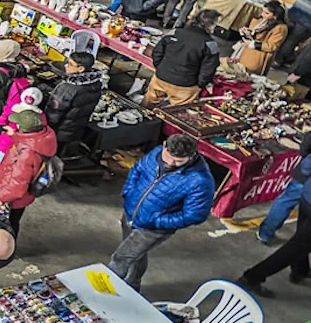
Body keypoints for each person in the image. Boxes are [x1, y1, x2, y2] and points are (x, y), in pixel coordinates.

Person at [110, 135, 214, 291]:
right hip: (132, 214)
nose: (171, 163)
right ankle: (132, 286)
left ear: (192, 156)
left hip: (153, 228)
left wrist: (158, 221)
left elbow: (195, 215)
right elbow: (137, 169)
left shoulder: (199, 180)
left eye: (179, 161)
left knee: (121, 258)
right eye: (169, 157)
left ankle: (104, 293)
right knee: (135, 254)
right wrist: (128, 192)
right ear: (164, 146)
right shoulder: (156, 153)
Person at [238, 154, 311, 297]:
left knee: (302, 237)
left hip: (308, 195)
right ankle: (252, 277)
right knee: (299, 245)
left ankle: (300, 270)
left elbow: (307, 162)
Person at [0, 110, 57, 236]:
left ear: (22, 128)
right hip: (24, 198)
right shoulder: (43, 138)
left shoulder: (25, 155)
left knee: (5, 226)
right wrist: (14, 135)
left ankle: (3, 251)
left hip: (11, 198)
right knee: (13, 221)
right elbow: (31, 142)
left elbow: (17, 185)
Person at [145, 10, 221, 107]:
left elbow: (157, 53)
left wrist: (161, 68)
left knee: (146, 105)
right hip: (185, 86)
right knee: (175, 114)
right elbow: (208, 70)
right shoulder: (210, 44)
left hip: (161, 78)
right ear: (211, 25)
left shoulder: (174, 32)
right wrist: (200, 84)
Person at [44, 51, 105, 154]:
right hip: (75, 129)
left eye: (71, 64)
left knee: (49, 154)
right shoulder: (96, 83)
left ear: (81, 69)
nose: (66, 66)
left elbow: (54, 112)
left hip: (59, 130)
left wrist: (45, 127)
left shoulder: (69, 88)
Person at [233, 1, 288, 75]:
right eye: (263, 11)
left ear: (276, 16)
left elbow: (272, 46)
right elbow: (254, 34)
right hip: (244, 53)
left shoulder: (280, 28)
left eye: (266, 13)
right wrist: (246, 32)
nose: (262, 14)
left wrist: (253, 44)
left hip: (258, 58)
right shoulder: (260, 21)